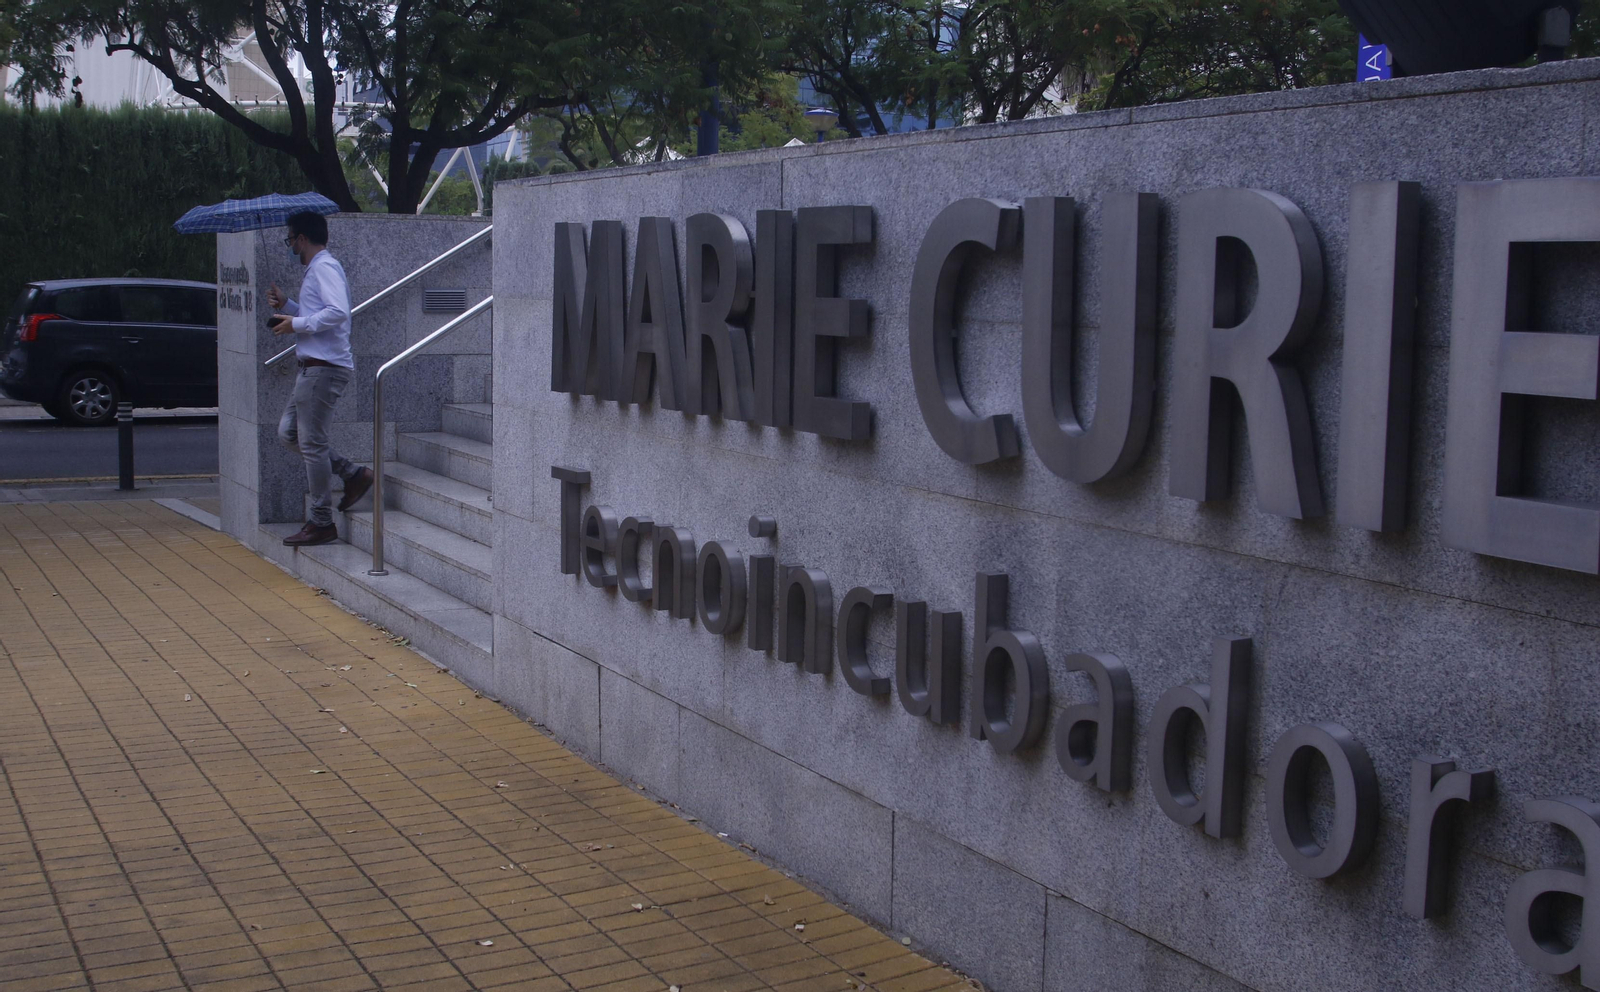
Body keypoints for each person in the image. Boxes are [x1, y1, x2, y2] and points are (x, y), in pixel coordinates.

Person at [267, 211, 374, 547]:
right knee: (289, 433)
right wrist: (290, 307)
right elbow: (320, 312)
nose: (290, 247)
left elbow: (338, 311)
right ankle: (351, 473)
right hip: (313, 367)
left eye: (290, 240)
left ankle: (321, 521)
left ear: (301, 239)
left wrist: (295, 324)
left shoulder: (325, 267)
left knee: (310, 442)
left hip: (323, 368)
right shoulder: (318, 269)